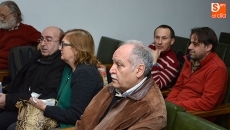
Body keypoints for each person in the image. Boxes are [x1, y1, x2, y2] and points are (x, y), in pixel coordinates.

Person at [74, 40, 167, 130]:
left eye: (119, 65)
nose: (111, 70)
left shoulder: (152, 111)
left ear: (139, 70)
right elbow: (84, 121)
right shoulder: (114, 86)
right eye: (113, 63)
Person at [21, 29, 103, 129]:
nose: (59, 48)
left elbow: (76, 116)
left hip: (72, 126)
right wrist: (39, 100)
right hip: (60, 120)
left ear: (76, 49)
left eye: (63, 44)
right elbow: (57, 95)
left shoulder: (84, 73)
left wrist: (44, 107)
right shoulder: (68, 68)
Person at [0, 26, 66, 129]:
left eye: (48, 40)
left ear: (60, 44)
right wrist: (5, 92)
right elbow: (19, 79)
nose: (43, 44)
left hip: (30, 108)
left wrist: (7, 100)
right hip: (16, 101)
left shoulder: (59, 64)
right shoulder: (39, 55)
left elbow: (42, 93)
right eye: (41, 39)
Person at [166, 27, 227, 121]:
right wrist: (168, 104)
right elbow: (178, 86)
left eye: (195, 44)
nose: (189, 47)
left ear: (208, 47)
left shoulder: (217, 69)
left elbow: (206, 103)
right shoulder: (190, 60)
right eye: (190, 43)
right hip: (177, 109)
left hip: (195, 116)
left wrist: (174, 106)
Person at [0, 1, 41, 70]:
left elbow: (43, 40)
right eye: (0, 16)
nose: (1, 19)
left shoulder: (27, 30)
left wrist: (40, 44)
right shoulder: (1, 31)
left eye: (3, 16)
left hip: (9, 67)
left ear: (15, 15)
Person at [148, 25, 180, 89]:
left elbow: (157, 86)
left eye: (164, 38)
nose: (159, 42)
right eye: (157, 37)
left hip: (150, 93)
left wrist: (154, 61)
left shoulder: (173, 63)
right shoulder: (152, 47)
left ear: (172, 41)